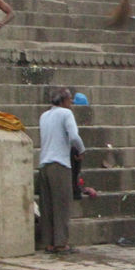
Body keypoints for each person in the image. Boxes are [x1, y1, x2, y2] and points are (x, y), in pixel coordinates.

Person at [37, 87, 86, 254]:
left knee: (47, 206)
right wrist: (81, 150)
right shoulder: (66, 114)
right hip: (60, 165)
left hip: (44, 165)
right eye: (70, 99)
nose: (71, 103)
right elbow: (73, 136)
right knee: (62, 205)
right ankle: (61, 243)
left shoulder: (44, 116)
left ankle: (49, 243)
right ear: (64, 101)